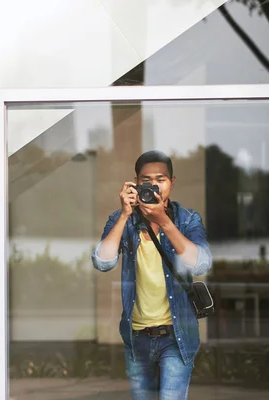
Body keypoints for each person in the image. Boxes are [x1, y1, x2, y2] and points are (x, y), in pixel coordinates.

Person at [91, 150, 212, 399]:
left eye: (161, 179)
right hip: (138, 336)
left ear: (172, 182)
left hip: (177, 336)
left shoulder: (187, 219)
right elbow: (102, 262)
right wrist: (125, 214)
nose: (153, 186)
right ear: (135, 182)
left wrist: (164, 222)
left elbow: (200, 264)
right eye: (146, 181)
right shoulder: (121, 219)